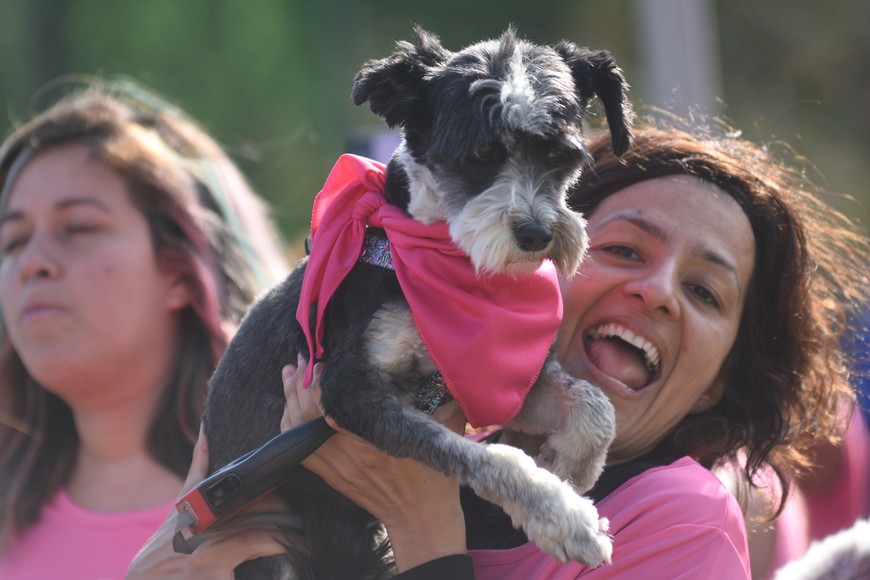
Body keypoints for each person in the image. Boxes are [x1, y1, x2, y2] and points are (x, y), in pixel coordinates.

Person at [129, 118, 869, 579]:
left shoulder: (680, 520)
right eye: (622, 249)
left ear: (718, 383)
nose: (659, 292)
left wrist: (421, 525)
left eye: (706, 293)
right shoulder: (425, 440)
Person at [0, 79, 289, 580]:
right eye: (12, 240)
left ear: (180, 272)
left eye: (79, 228)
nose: (32, 263)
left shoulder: (294, 503)